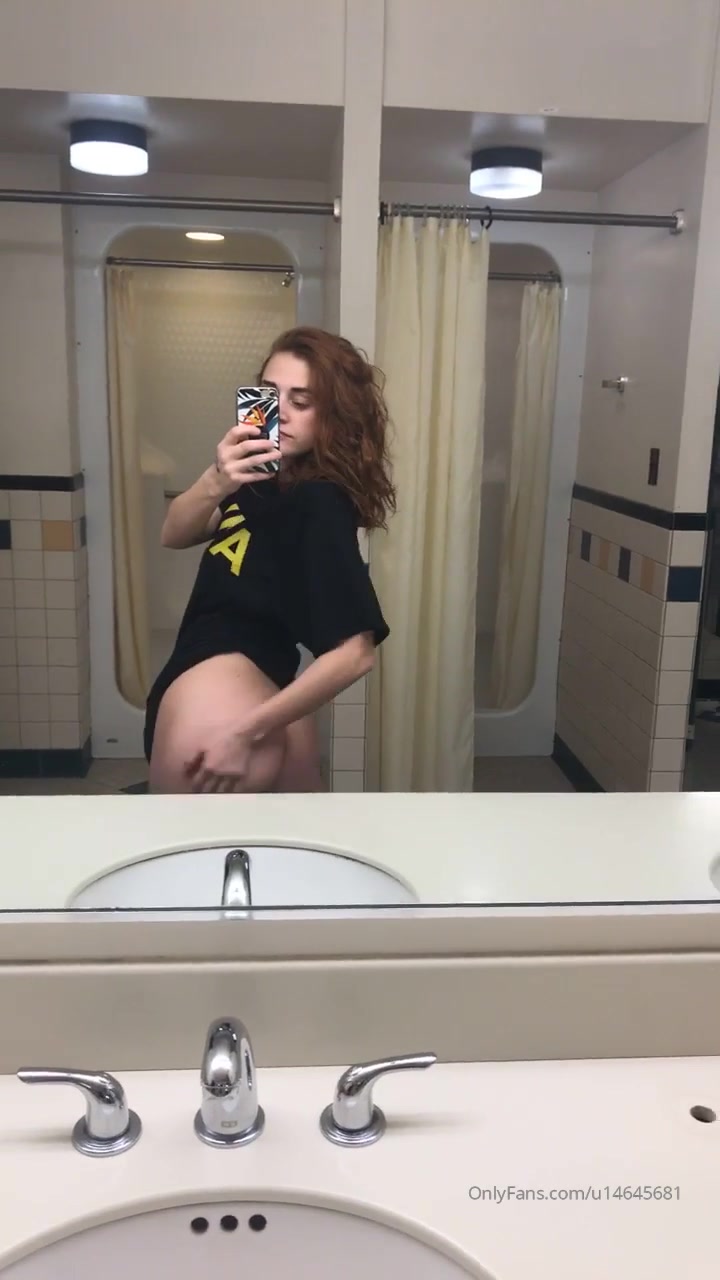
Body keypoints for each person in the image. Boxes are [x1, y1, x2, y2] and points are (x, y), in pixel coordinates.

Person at [144, 325, 396, 794]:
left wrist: (245, 733)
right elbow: (173, 533)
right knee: (299, 843)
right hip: (262, 690)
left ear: (334, 414)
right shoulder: (259, 480)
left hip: (223, 715)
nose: (281, 411)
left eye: (302, 401)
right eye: (270, 394)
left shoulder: (318, 500)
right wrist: (218, 478)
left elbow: (356, 653)